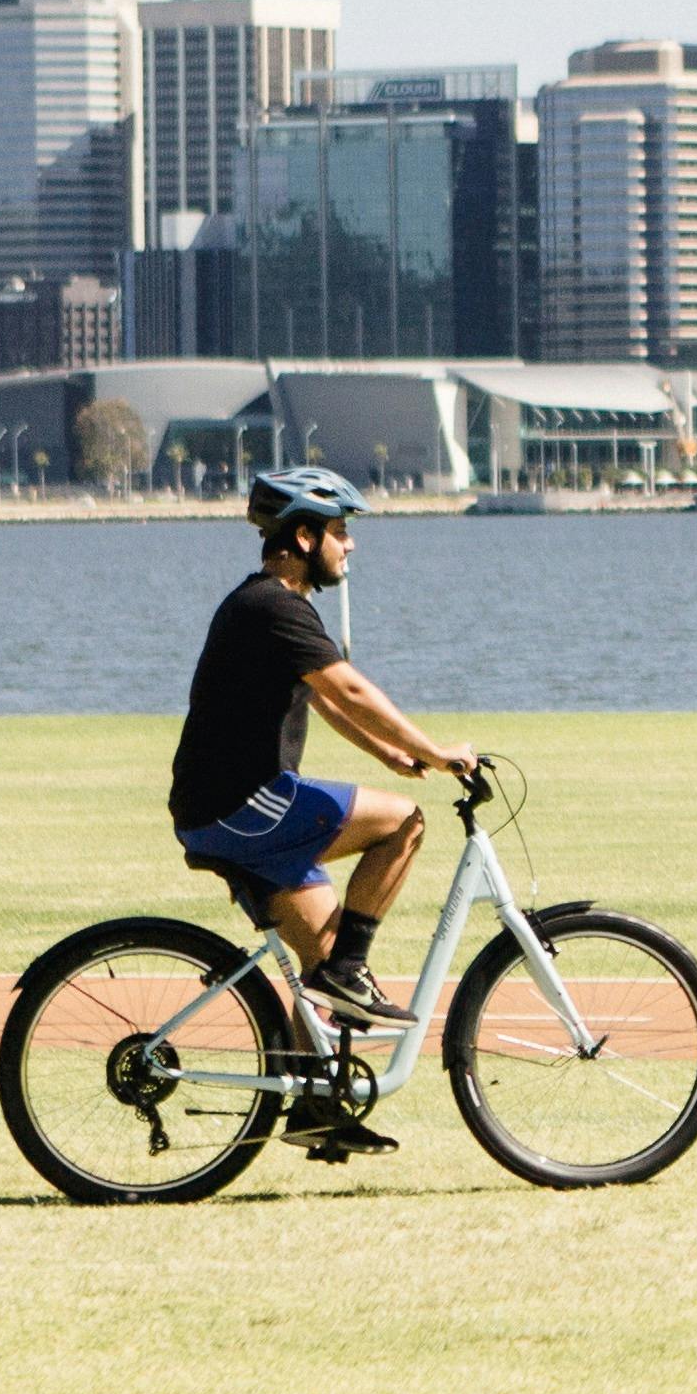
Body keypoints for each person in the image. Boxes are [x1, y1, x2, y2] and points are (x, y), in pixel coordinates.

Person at [167, 469, 476, 1109]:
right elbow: (350, 688)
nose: (350, 546)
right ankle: (350, 976)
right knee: (405, 823)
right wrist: (435, 752)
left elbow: (326, 701)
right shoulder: (273, 606)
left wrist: (391, 753)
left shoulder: (272, 607)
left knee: (319, 964)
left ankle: (316, 1111)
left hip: (223, 809)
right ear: (304, 537)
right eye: (340, 532)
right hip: (243, 806)